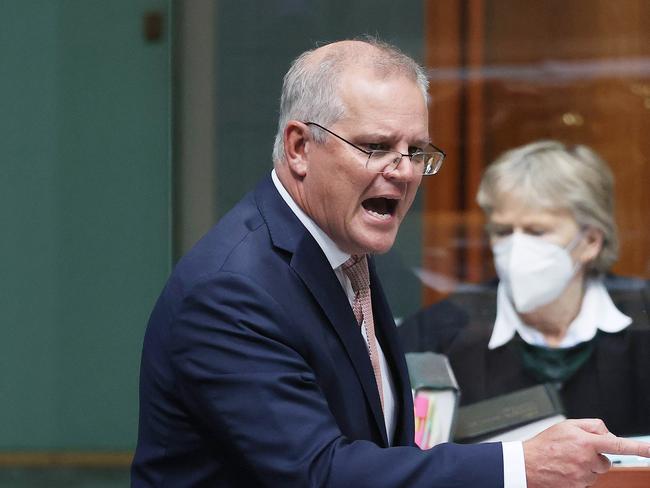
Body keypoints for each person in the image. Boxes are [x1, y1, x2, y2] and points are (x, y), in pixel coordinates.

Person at [131, 39, 650, 487]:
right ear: (298, 147)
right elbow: (320, 475)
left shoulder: (341, 243)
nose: (403, 173)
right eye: (376, 148)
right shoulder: (234, 290)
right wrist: (519, 467)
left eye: (416, 151)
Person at [399, 140, 650, 436]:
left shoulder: (641, 319)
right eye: (503, 231)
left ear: (591, 241)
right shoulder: (438, 334)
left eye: (536, 231)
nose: (516, 247)